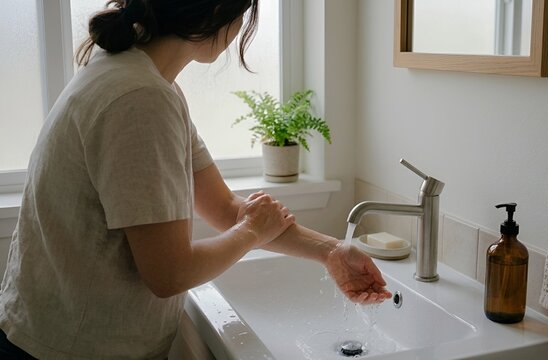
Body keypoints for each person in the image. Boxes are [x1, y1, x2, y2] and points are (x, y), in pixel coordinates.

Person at [0, 0, 392, 358]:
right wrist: (252, 232)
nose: (240, 27)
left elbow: (225, 209)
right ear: (217, 12)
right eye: (243, 14)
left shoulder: (142, 78)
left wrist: (330, 250)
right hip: (70, 350)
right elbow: (170, 274)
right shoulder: (140, 98)